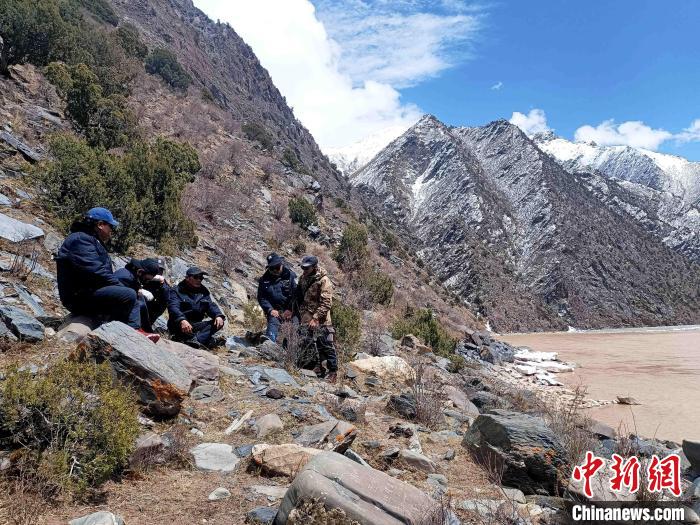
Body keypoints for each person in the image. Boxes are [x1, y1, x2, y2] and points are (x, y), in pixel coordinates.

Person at [56, 207, 140, 329]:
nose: (111, 231)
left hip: (87, 292)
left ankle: (128, 328)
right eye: (111, 227)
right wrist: (120, 286)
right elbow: (96, 271)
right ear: (100, 225)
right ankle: (131, 332)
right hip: (78, 298)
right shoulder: (80, 240)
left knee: (132, 293)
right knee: (129, 294)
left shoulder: (89, 239)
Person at [295, 255, 337, 383]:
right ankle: (317, 367)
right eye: (303, 268)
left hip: (322, 320)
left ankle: (332, 372)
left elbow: (326, 303)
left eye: (306, 268)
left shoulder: (324, 280)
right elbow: (299, 296)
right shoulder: (303, 278)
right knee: (307, 342)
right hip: (306, 317)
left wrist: (316, 318)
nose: (304, 270)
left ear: (314, 267)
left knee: (325, 345)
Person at [167, 266, 225, 349]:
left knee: (218, 322)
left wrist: (218, 315)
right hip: (179, 324)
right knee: (180, 326)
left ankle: (195, 340)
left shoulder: (203, 291)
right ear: (187, 278)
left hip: (195, 325)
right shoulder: (176, 290)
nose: (199, 280)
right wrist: (181, 319)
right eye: (196, 277)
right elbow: (173, 308)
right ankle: (193, 339)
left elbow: (210, 306)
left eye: (201, 278)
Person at [115, 258, 162, 338]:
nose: (146, 281)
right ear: (140, 272)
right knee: (137, 301)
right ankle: (135, 329)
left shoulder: (131, 274)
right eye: (146, 279)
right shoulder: (125, 277)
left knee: (141, 300)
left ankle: (145, 329)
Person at [257, 253, 297, 342]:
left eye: (277, 267)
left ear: (281, 265)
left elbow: (297, 295)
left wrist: (290, 309)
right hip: (275, 311)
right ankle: (269, 343)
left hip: (292, 310)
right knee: (273, 323)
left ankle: (292, 347)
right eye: (272, 268)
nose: (275, 270)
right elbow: (262, 297)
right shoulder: (263, 280)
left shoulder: (290, 276)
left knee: (296, 329)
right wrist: (270, 309)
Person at [143, 258, 171, 330]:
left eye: (161, 270)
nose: (159, 272)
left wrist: (162, 284)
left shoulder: (164, 286)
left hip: (152, 311)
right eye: (158, 269)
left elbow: (165, 302)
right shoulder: (144, 277)